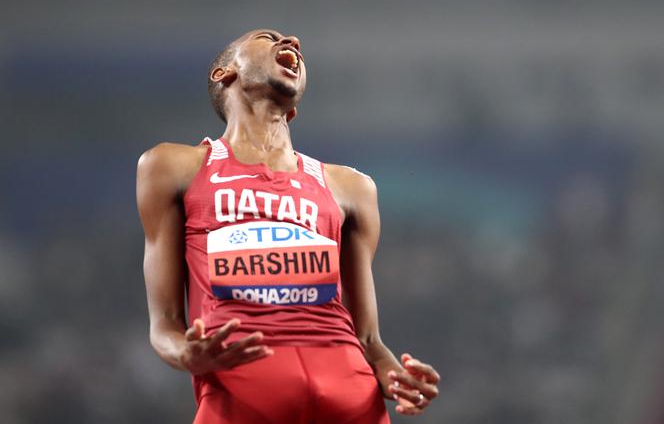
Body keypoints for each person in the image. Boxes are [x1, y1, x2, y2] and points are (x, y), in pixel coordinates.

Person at [136, 28, 440, 423]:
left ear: (292, 111)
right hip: (241, 399)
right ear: (224, 74)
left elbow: (367, 338)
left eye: (294, 44)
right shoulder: (172, 167)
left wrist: (396, 378)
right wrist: (187, 354)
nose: (293, 41)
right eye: (268, 37)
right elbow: (164, 325)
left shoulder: (351, 187)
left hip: (350, 399)